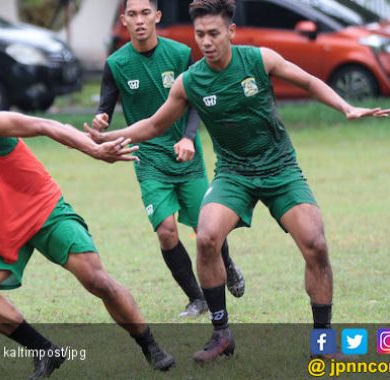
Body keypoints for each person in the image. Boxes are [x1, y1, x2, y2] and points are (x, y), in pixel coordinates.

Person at [84, 0, 389, 365]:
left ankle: (322, 337)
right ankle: (221, 334)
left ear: (230, 32)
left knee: (315, 243)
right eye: (200, 35)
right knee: (208, 236)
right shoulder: (190, 81)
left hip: (280, 168)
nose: (207, 41)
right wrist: (107, 137)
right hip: (233, 173)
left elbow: (307, 80)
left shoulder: (259, 60)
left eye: (214, 33)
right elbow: (153, 125)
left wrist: (345, 107)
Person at [0, 79, 176, 379]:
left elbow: (44, 125)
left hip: (41, 210)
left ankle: (150, 345)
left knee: (96, 280)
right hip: (0, 229)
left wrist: (94, 149)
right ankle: (45, 352)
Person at [93, 0, 245, 319]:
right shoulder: (116, 64)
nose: (139, 20)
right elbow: (105, 105)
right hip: (147, 157)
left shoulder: (178, 55)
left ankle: (227, 264)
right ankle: (197, 297)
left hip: (185, 153)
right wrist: (100, 120)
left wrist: (188, 137)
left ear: (157, 16)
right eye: (132, 14)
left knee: (208, 228)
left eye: (145, 13)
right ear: (124, 20)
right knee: (166, 231)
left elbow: (196, 101)